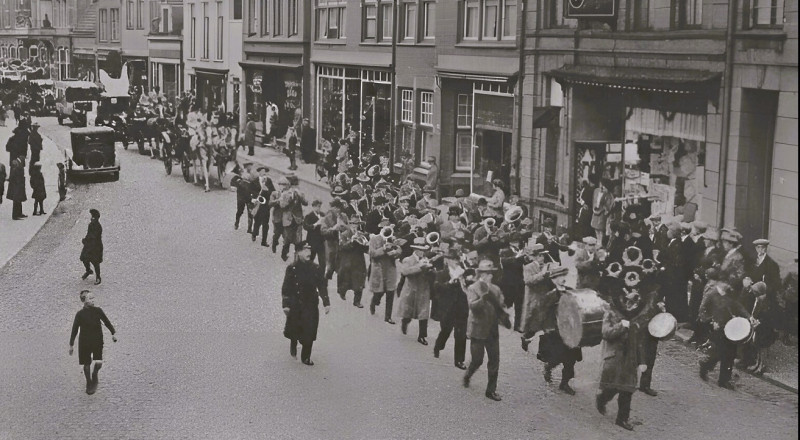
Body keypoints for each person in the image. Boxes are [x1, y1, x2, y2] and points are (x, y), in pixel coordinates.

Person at [595, 285, 649, 431]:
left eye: (635, 304)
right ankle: (602, 398)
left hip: (630, 360)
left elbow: (639, 342)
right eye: (629, 303)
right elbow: (606, 333)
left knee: (628, 390)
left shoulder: (637, 320)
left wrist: (642, 361)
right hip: (615, 357)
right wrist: (621, 326)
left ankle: (622, 419)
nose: (631, 306)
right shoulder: (611, 314)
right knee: (613, 387)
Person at [462, 259, 510, 402]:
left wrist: (504, 315)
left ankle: (491, 390)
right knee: (477, 360)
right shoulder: (473, 288)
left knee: (494, 360)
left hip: (492, 328)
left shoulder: (496, 288)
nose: (489, 276)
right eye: (486, 273)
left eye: (491, 273)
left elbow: (501, 305)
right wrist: (483, 298)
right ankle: (468, 375)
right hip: (478, 328)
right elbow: (472, 307)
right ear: (480, 274)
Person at [532, 266, 582, 395]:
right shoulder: (549, 296)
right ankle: (548, 367)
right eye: (559, 277)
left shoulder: (571, 292)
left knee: (571, 359)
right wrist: (548, 328)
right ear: (553, 280)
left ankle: (564, 383)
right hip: (556, 333)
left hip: (571, 332)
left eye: (564, 276)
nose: (562, 279)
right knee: (557, 356)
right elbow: (542, 314)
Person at [282, 241, 331, 366]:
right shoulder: (292, 268)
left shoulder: (315, 268)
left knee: (309, 330)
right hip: (296, 304)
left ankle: (306, 356)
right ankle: (293, 343)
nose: (308, 252)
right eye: (305, 250)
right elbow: (286, 288)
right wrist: (286, 304)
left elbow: (322, 285)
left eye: (309, 249)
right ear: (298, 252)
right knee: (295, 328)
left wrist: (326, 302)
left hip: (310, 304)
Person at [698, 280, 753, 389]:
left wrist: (748, 316)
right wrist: (711, 321)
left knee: (731, 354)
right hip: (718, 328)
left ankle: (724, 380)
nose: (728, 285)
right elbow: (702, 310)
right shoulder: (711, 294)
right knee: (720, 352)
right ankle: (705, 366)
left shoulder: (729, 293)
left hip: (730, 327)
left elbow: (737, 305)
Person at [69, 292, 117, 394]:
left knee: (98, 362)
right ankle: (89, 382)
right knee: (86, 364)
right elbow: (74, 329)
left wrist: (113, 333)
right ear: (84, 300)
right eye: (90, 298)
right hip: (84, 342)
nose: (93, 300)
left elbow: (106, 322)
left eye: (93, 298)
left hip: (97, 340)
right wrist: (71, 344)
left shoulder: (98, 311)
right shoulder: (79, 314)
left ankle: (95, 373)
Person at [432, 247, 471, 370]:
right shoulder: (441, 273)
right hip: (447, 308)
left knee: (461, 335)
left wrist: (466, 279)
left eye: (457, 259)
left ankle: (459, 360)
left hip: (461, 307)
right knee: (445, 331)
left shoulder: (463, 272)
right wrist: (450, 282)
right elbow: (437, 288)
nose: (455, 261)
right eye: (452, 259)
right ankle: (438, 346)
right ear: (447, 260)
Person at [396, 237, 435, 343]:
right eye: (421, 250)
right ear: (416, 250)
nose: (423, 252)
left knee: (424, 313)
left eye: (424, 250)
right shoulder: (408, 260)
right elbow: (405, 272)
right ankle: (405, 322)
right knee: (408, 311)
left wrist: (431, 269)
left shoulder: (426, 259)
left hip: (423, 289)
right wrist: (420, 267)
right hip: (411, 289)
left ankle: (422, 336)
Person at [369, 219, 401, 324]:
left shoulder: (393, 239)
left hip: (390, 268)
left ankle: (388, 316)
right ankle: (374, 302)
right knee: (380, 291)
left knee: (390, 292)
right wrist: (383, 248)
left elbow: (399, 250)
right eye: (384, 227)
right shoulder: (374, 239)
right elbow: (372, 253)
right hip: (379, 268)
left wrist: (395, 251)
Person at [336, 214, 368, 308]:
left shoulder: (361, 234)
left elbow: (365, 248)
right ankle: (342, 291)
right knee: (346, 281)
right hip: (348, 261)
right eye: (353, 223)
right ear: (349, 224)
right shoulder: (344, 234)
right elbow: (342, 247)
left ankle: (357, 301)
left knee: (359, 281)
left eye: (356, 223)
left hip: (359, 261)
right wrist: (351, 241)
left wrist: (366, 244)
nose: (355, 225)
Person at [279, 174, 307, 261]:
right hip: (288, 219)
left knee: (298, 241)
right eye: (293, 185)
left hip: (298, 219)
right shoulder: (285, 194)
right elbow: (282, 205)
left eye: (296, 185)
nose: (295, 187)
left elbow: (306, 203)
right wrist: (289, 199)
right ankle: (284, 254)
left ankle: (297, 258)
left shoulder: (300, 193)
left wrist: (300, 196)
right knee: (287, 239)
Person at [251, 167, 275, 247]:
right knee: (257, 222)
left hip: (265, 205)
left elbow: (273, 191)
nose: (264, 173)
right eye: (262, 172)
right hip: (258, 204)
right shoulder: (254, 181)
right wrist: (255, 197)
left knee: (266, 224)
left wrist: (267, 190)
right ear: (259, 173)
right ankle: (254, 234)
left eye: (265, 172)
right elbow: (251, 191)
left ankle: (263, 241)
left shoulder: (269, 181)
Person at [80, 209, 104, 285]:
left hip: (95, 246)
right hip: (88, 245)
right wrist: (85, 240)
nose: (92, 219)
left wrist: (87, 241)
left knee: (95, 262)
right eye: (92, 217)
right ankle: (88, 270)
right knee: (84, 258)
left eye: (93, 217)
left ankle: (98, 277)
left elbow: (93, 237)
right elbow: (88, 234)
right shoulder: (90, 225)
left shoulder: (98, 227)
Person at [303, 200, 326, 269]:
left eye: (319, 206)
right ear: (313, 207)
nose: (319, 208)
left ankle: (322, 276)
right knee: (310, 260)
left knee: (322, 262)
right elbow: (305, 227)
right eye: (317, 206)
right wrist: (315, 224)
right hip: (312, 241)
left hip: (321, 242)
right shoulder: (309, 216)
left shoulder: (323, 215)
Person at [232, 163, 255, 232]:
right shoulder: (240, 176)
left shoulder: (252, 176)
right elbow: (234, 182)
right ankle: (237, 222)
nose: (250, 168)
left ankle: (249, 228)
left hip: (249, 197)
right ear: (246, 167)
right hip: (241, 197)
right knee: (240, 211)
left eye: (250, 167)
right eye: (249, 167)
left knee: (250, 213)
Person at [591, 180, 615, 245]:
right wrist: (594, 208)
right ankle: (598, 241)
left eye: (604, 187)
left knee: (600, 229)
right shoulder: (596, 191)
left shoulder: (609, 196)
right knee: (595, 228)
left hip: (602, 213)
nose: (602, 187)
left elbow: (609, 206)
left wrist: (604, 209)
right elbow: (594, 200)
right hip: (595, 211)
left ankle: (600, 243)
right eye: (601, 185)